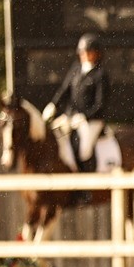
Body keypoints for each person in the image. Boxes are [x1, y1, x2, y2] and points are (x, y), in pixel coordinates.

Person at [43, 33, 111, 175]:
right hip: (71, 117)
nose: (84, 55)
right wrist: (53, 105)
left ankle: (87, 185)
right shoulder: (76, 69)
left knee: (84, 150)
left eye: (88, 52)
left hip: (92, 120)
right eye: (82, 52)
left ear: (96, 53)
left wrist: (85, 116)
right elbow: (65, 89)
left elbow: (100, 104)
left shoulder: (101, 74)